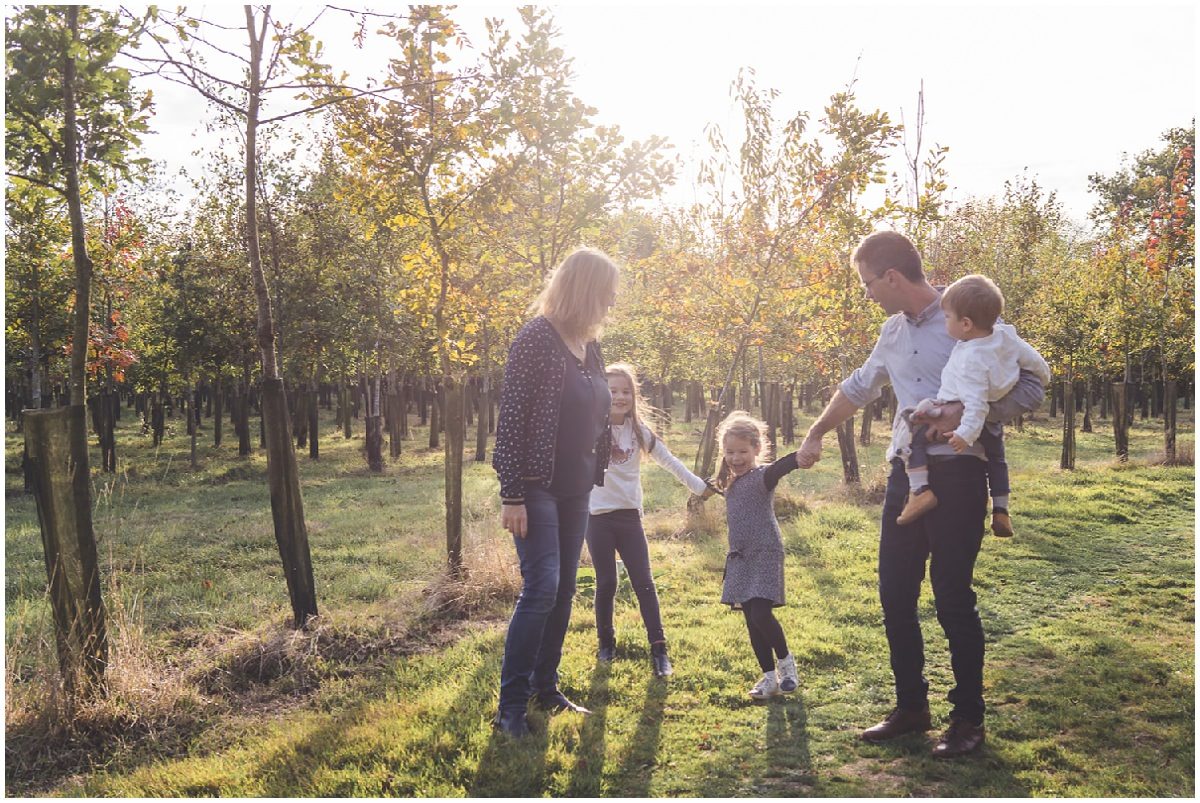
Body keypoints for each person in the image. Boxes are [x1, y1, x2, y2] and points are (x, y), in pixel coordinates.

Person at [796, 231, 1044, 758]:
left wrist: (970, 415)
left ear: (891, 277)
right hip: (905, 477)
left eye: (867, 283)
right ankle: (912, 708)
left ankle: (968, 721)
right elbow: (859, 386)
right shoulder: (891, 331)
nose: (865, 294)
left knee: (952, 597)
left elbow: (1033, 386)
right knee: (894, 594)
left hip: (959, 474)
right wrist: (816, 431)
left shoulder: (969, 315)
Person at [491, 247, 620, 738]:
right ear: (584, 291)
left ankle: (547, 687)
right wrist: (512, 495)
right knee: (542, 586)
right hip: (535, 486)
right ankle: (511, 709)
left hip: (576, 488)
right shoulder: (535, 339)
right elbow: (512, 422)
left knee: (565, 588)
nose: (610, 304)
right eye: (605, 295)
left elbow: (597, 408)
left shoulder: (589, 345)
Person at [892, 273, 1051, 536]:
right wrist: (1044, 375)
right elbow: (1034, 360)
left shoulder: (972, 359)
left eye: (947, 318)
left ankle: (920, 490)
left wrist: (965, 433)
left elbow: (976, 404)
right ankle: (1001, 510)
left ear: (965, 323)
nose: (944, 323)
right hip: (989, 420)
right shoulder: (1004, 336)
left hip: (964, 415)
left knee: (911, 425)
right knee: (997, 459)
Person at [586, 362, 712, 677]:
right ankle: (606, 644)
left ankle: (659, 649)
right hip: (596, 519)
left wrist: (699, 487)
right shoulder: (589, 428)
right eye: (613, 390)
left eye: (626, 391)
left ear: (634, 395)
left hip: (629, 518)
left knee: (643, 582)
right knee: (606, 582)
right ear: (601, 393)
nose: (620, 396)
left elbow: (670, 461)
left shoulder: (639, 433)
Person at [713, 410, 802, 700]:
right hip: (739, 557)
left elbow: (782, 467)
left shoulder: (763, 476)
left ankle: (787, 666)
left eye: (742, 451)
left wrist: (802, 455)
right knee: (751, 618)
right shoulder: (727, 482)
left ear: (756, 449)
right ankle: (768, 678)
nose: (736, 458)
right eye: (730, 452)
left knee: (762, 614)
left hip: (765, 551)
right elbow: (700, 484)